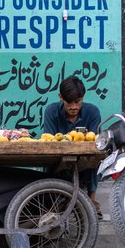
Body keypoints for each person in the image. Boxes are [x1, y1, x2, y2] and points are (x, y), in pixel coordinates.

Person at [42, 75, 102, 219]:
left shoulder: (93, 112)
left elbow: (94, 140)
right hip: (57, 158)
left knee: (96, 157)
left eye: (77, 101)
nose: (74, 107)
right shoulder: (51, 111)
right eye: (69, 102)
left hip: (84, 159)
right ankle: (50, 201)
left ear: (83, 98)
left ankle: (91, 199)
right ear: (60, 97)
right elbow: (49, 140)